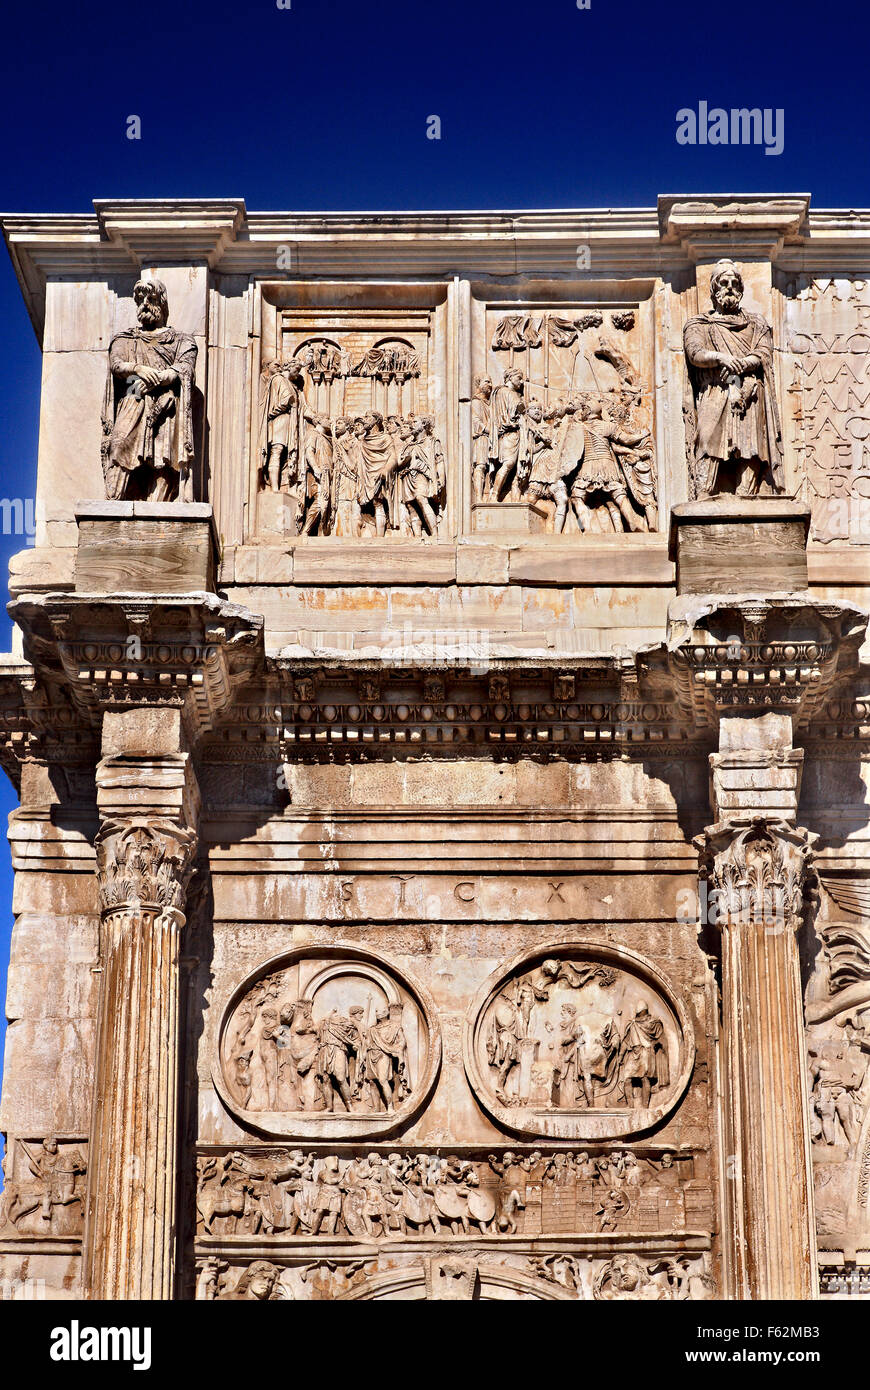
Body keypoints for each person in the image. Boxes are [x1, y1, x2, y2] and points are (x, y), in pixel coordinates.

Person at [683, 258, 784, 498]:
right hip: (716, 390)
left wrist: (741, 365)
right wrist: (722, 358)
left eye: (734, 282)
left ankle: (747, 496)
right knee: (707, 440)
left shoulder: (756, 322)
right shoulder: (699, 323)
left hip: (749, 390)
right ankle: (703, 495)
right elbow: (694, 352)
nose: (729, 286)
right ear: (713, 288)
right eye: (723, 282)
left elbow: (763, 352)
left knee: (751, 446)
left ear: (740, 288)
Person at [101, 278, 197, 502]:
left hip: (166, 404)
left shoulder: (181, 340)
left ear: (162, 304)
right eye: (140, 299)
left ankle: (158, 508)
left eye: (151, 299)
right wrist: (138, 369)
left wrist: (162, 377)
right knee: (119, 446)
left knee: (162, 458)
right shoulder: (125, 338)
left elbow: (185, 366)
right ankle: (114, 502)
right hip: (133, 397)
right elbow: (116, 364)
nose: (144, 304)